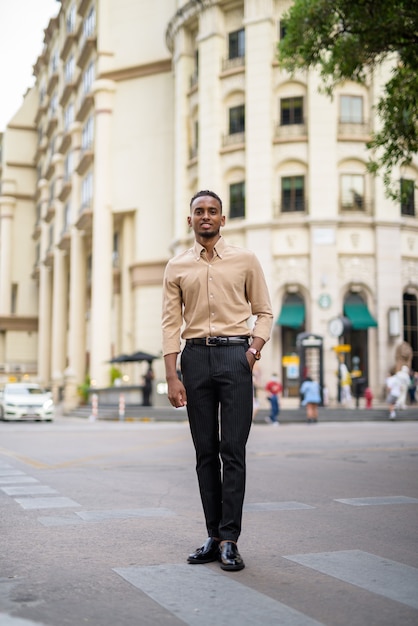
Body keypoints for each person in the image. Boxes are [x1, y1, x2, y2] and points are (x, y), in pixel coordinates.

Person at [162, 190, 273, 571]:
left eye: (212, 211)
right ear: (189, 220)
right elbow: (170, 324)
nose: (206, 217)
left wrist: (252, 352)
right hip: (194, 359)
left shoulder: (245, 260)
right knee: (204, 451)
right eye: (199, 212)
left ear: (222, 220)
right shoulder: (176, 267)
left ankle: (230, 539)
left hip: (234, 355)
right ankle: (213, 535)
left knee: (233, 451)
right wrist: (171, 375)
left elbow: (264, 312)